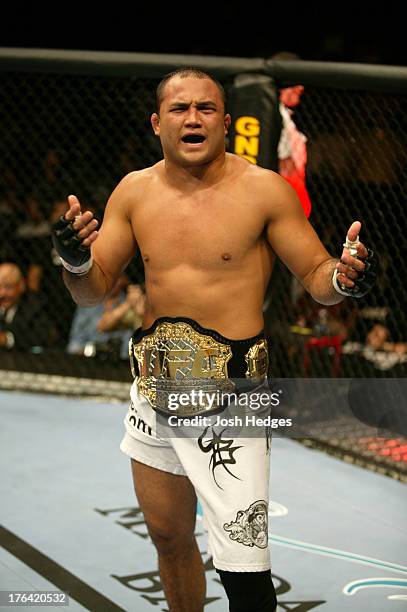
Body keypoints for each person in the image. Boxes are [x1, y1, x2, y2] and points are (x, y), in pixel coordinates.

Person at [51, 68, 377, 612]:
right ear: (158, 123)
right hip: (154, 394)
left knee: (243, 571)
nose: (193, 118)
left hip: (232, 401)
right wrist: (76, 259)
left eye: (206, 108)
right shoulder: (134, 192)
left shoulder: (263, 191)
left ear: (225, 122)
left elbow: (317, 275)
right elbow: (91, 292)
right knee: (169, 538)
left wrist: (343, 277)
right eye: (180, 109)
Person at [0, 262, 56, 351]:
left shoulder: (34, 307)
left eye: (8, 287)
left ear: (21, 285)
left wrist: (7, 339)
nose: (2, 294)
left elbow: (42, 336)